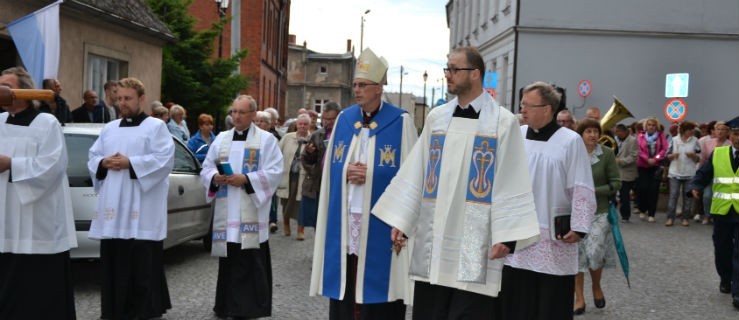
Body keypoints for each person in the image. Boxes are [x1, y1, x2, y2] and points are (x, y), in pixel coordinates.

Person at [372, 47, 539, 318]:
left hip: (476, 244)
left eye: (454, 69)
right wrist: (402, 219)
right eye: (446, 69)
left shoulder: (503, 123)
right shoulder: (437, 118)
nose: (447, 75)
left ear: (474, 74)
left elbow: (512, 178)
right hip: (434, 241)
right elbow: (419, 170)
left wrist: (507, 235)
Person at [309, 47, 417, 319]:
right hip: (347, 217)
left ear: (379, 88)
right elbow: (331, 167)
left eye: (363, 85)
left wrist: (371, 175)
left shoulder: (400, 122)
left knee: (378, 290)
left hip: (380, 220)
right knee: (347, 280)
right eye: (355, 85)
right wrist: (345, 171)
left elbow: (411, 175)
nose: (357, 90)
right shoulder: (345, 119)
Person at [498, 81, 596, 319]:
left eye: (528, 105)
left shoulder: (570, 141)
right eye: (522, 104)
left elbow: (581, 186)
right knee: (517, 304)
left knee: (550, 306)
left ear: (547, 108)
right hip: (518, 235)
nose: (522, 110)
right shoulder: (517, 135)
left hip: (553, 238)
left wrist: (580, 227)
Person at [87, 77, 174, 319]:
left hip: (142, 211)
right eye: (119, 99)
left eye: (127, 98)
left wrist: (130, 163)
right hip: (113, 209)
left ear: (141, 99)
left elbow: (164, 161)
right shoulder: (109, 128)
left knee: (141, 266)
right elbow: (93, 157)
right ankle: (114, 310)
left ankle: (142, 311)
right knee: (115, 263)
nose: (122, 103)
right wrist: (103, 162)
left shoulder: (155, 127)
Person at [0, 67, 77, 319]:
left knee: (37, 287)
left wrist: (12, 164)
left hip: (37, 217)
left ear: (25, 90)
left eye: (7, 86)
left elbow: (53, 165)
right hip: (5, 215)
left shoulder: (46, 123)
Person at [200, 95, 283, 319]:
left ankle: (250, 307)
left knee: (249, 259)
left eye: (241, 112)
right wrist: (215, 178)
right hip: (227, 214)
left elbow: (275, 172)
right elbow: (206, 167)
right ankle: (226, 305)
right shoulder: (221, 139)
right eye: (233, 112)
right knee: (229, 260)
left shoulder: (266, 140)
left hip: (251, 212)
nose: (236, 116)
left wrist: (246, 179)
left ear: (253, 115)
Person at [688, 121, 739, 309]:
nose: (738, 138)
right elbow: (703, 174)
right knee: (722, 248)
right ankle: (725, 278)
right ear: (730, 136)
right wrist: (695, 186)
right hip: (722, 210)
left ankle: (738, 291)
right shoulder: (718, 154)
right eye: (736, 134)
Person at [573, 118, 620, 315]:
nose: (592, 135)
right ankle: (579, 298)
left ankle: (596, 286)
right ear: (581, 133)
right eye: (588, 131)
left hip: (599, 211)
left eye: (595, 131)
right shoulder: (573, 152)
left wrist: (592, 190)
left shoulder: (607, 154)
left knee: (594, 253)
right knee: (576, 256)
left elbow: (616, 183)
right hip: (575, 211)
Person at [301, 102, 340, 244]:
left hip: (338, 184)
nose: (328, 122)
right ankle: (320, 255)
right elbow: (305, 159)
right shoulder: (317, 135)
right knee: (320, 221)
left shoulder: (345, 134)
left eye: (331, 119)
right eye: (325, 119)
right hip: (319, 185)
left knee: (335, 222)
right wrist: (311, 155)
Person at [277, 114, 311, 239]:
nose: (302, 126)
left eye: (305, 124)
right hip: (287, 175)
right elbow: (277, 153)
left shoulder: (312, 138)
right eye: (300, 124)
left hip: (302, 177)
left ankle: (300, 230)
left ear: (309, 125)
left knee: (300, 204)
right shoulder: (287, 137)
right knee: (285, 202)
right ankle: (286, 225)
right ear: (296, 125)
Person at [665, 121, 700, 226]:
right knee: (673, 195)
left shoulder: (695, 141)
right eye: (690, 129)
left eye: (693, 129)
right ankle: (670, 218)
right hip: (675, 171)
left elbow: (699, 158)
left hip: (689, 172)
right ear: (684, 130)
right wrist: (672, 156)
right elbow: (667, 155)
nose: (692, 131)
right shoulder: (674, 140)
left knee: (688, 196)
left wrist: (693, 156)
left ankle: (685, 218)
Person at [635, 117, 668, 223]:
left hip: (656, 166)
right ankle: (642, 209)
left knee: (653, 190)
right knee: (642, 188)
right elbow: (638, 150)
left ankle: (651, 213)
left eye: (653, 125)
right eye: (649, 125)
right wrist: (647, 159)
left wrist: (655, 159)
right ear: (646, 126)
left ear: (656, 126)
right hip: (642, 166)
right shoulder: (640, 136)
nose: (651, 127)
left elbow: (664, 149)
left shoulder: (661, 136)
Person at [699, 121, 732, 225]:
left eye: (723, 129)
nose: (720, 131)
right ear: (714, 131)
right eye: (718, 129)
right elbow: (703, 159)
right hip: (709, 174)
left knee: (721, 196)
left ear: (727, 132)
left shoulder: (731, 144)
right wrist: (699, 173)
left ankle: (718, 216)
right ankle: (707, 215)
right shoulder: (708, 143)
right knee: (707, 196)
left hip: (724, 175)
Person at [256, 110, 281, 233]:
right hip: (255, 172)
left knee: (271, 196)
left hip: (269, 171)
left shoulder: (273, 138)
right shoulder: (252, 137)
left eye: (262, 121)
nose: (259, 124)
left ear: (268, 124)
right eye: (257, 121)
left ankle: (272, 220)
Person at [614, 123, 638, 222]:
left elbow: (634, 156)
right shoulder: (616, 139)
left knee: (624, 196)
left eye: (618, 132)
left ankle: (625, 216)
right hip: (615, 172)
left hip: (626, 172)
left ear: (623, 131)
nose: (616, 134)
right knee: (612, 194)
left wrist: (621, 161)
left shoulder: (632, 140)